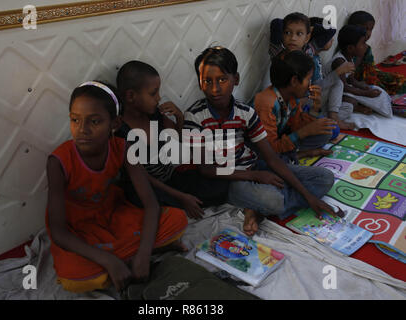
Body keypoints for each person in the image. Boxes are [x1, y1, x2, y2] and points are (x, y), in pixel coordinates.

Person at [45, 80, 187, 293]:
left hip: (114, 215)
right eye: (75, 120)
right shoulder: (58, 161)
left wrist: (143, 255)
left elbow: (151, 205)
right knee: (75, 278)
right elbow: (58, 232)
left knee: (177, 220)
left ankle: (128, 260)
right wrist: (109, 261)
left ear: (115, 124)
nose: (82, 129)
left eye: (94, 122)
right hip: (80, 229)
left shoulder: (123, 147)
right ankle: (122, 261)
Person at [184, 46, 341, 237]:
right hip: (230, 180)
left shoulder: (246, 113)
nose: (215, 89)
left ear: (236, 79)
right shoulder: (194, 117)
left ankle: (260, 207)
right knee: (273, 200)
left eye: (222, 80)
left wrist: (309, 197)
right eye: (207, 81)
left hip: (256, 165)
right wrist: (255, 176)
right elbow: (205, 169)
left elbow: (272, 159)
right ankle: (259, 210)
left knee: (325, 178)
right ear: (200, 83)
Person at [116, 60, 229, 220]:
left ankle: (180, 204)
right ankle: (178, 207)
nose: (158, 98)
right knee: (162, 210)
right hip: (147, 188)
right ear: (130, 96)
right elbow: (144, 178)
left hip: (170, 179)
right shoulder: (122, 132)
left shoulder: (155, 116)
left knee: (219, 188)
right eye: (153, 93)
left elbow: (181, 143)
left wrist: (179, 117)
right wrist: (182, 197)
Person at [254, 50, 336, 163]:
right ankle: (295, 156)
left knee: (326, 132)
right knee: (323, 177)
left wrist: (315, 108)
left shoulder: (291, 98)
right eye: (308, 79)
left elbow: (296, 127)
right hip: (263, 154)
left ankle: (292, 156)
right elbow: (270, 149)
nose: (310, 84)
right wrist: (306, 131)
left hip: (279, 142)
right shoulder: (266, 103)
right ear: (294, 81)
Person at [327, 25, 390, 120]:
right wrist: (365, 93)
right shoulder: (339, 62)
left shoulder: (350, 58)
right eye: (363, 43)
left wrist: (364, 87)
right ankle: (330, 117)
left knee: (378, 90)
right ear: (350, 48)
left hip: (345, 90)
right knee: (351, 102)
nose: (366, 47)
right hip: (332, 95)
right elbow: (342, 87)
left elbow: (351, 80)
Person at [348, 11, 405, 96]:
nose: (368, 33)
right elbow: (349, 75)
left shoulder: (367, 48)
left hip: (371, 75)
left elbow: (371, 68)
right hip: (357, 82)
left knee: (400, 81)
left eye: (370, 29)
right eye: (365, 29)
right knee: (379, 89)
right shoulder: (349, 48)